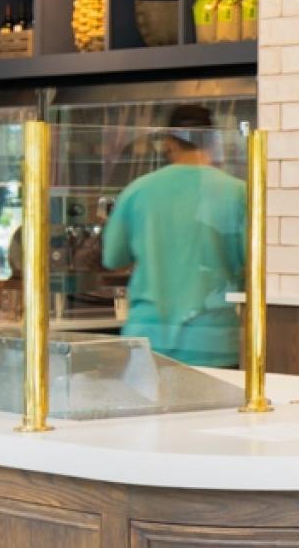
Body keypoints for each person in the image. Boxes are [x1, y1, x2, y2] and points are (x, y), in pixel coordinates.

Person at [100, 104, 246, 367]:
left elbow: (112, 257)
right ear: (213, 141)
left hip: (149, 340)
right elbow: (254, 263)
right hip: (212, 340)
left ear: (168, 143)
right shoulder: (238, 192)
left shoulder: (137, 191)